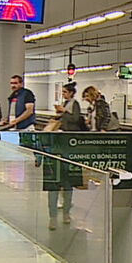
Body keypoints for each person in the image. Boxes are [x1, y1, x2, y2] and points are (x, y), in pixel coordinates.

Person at [45, 83, 82, 229]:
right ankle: (52, 216)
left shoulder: (75, 104)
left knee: (67, 183)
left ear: (72, 93)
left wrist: (64, 112)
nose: (64, 94)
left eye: (66, 92)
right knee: (53, 184)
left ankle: (66, 212)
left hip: (69, 145)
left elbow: (75, 119)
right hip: (59, 145)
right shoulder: (67, 104)